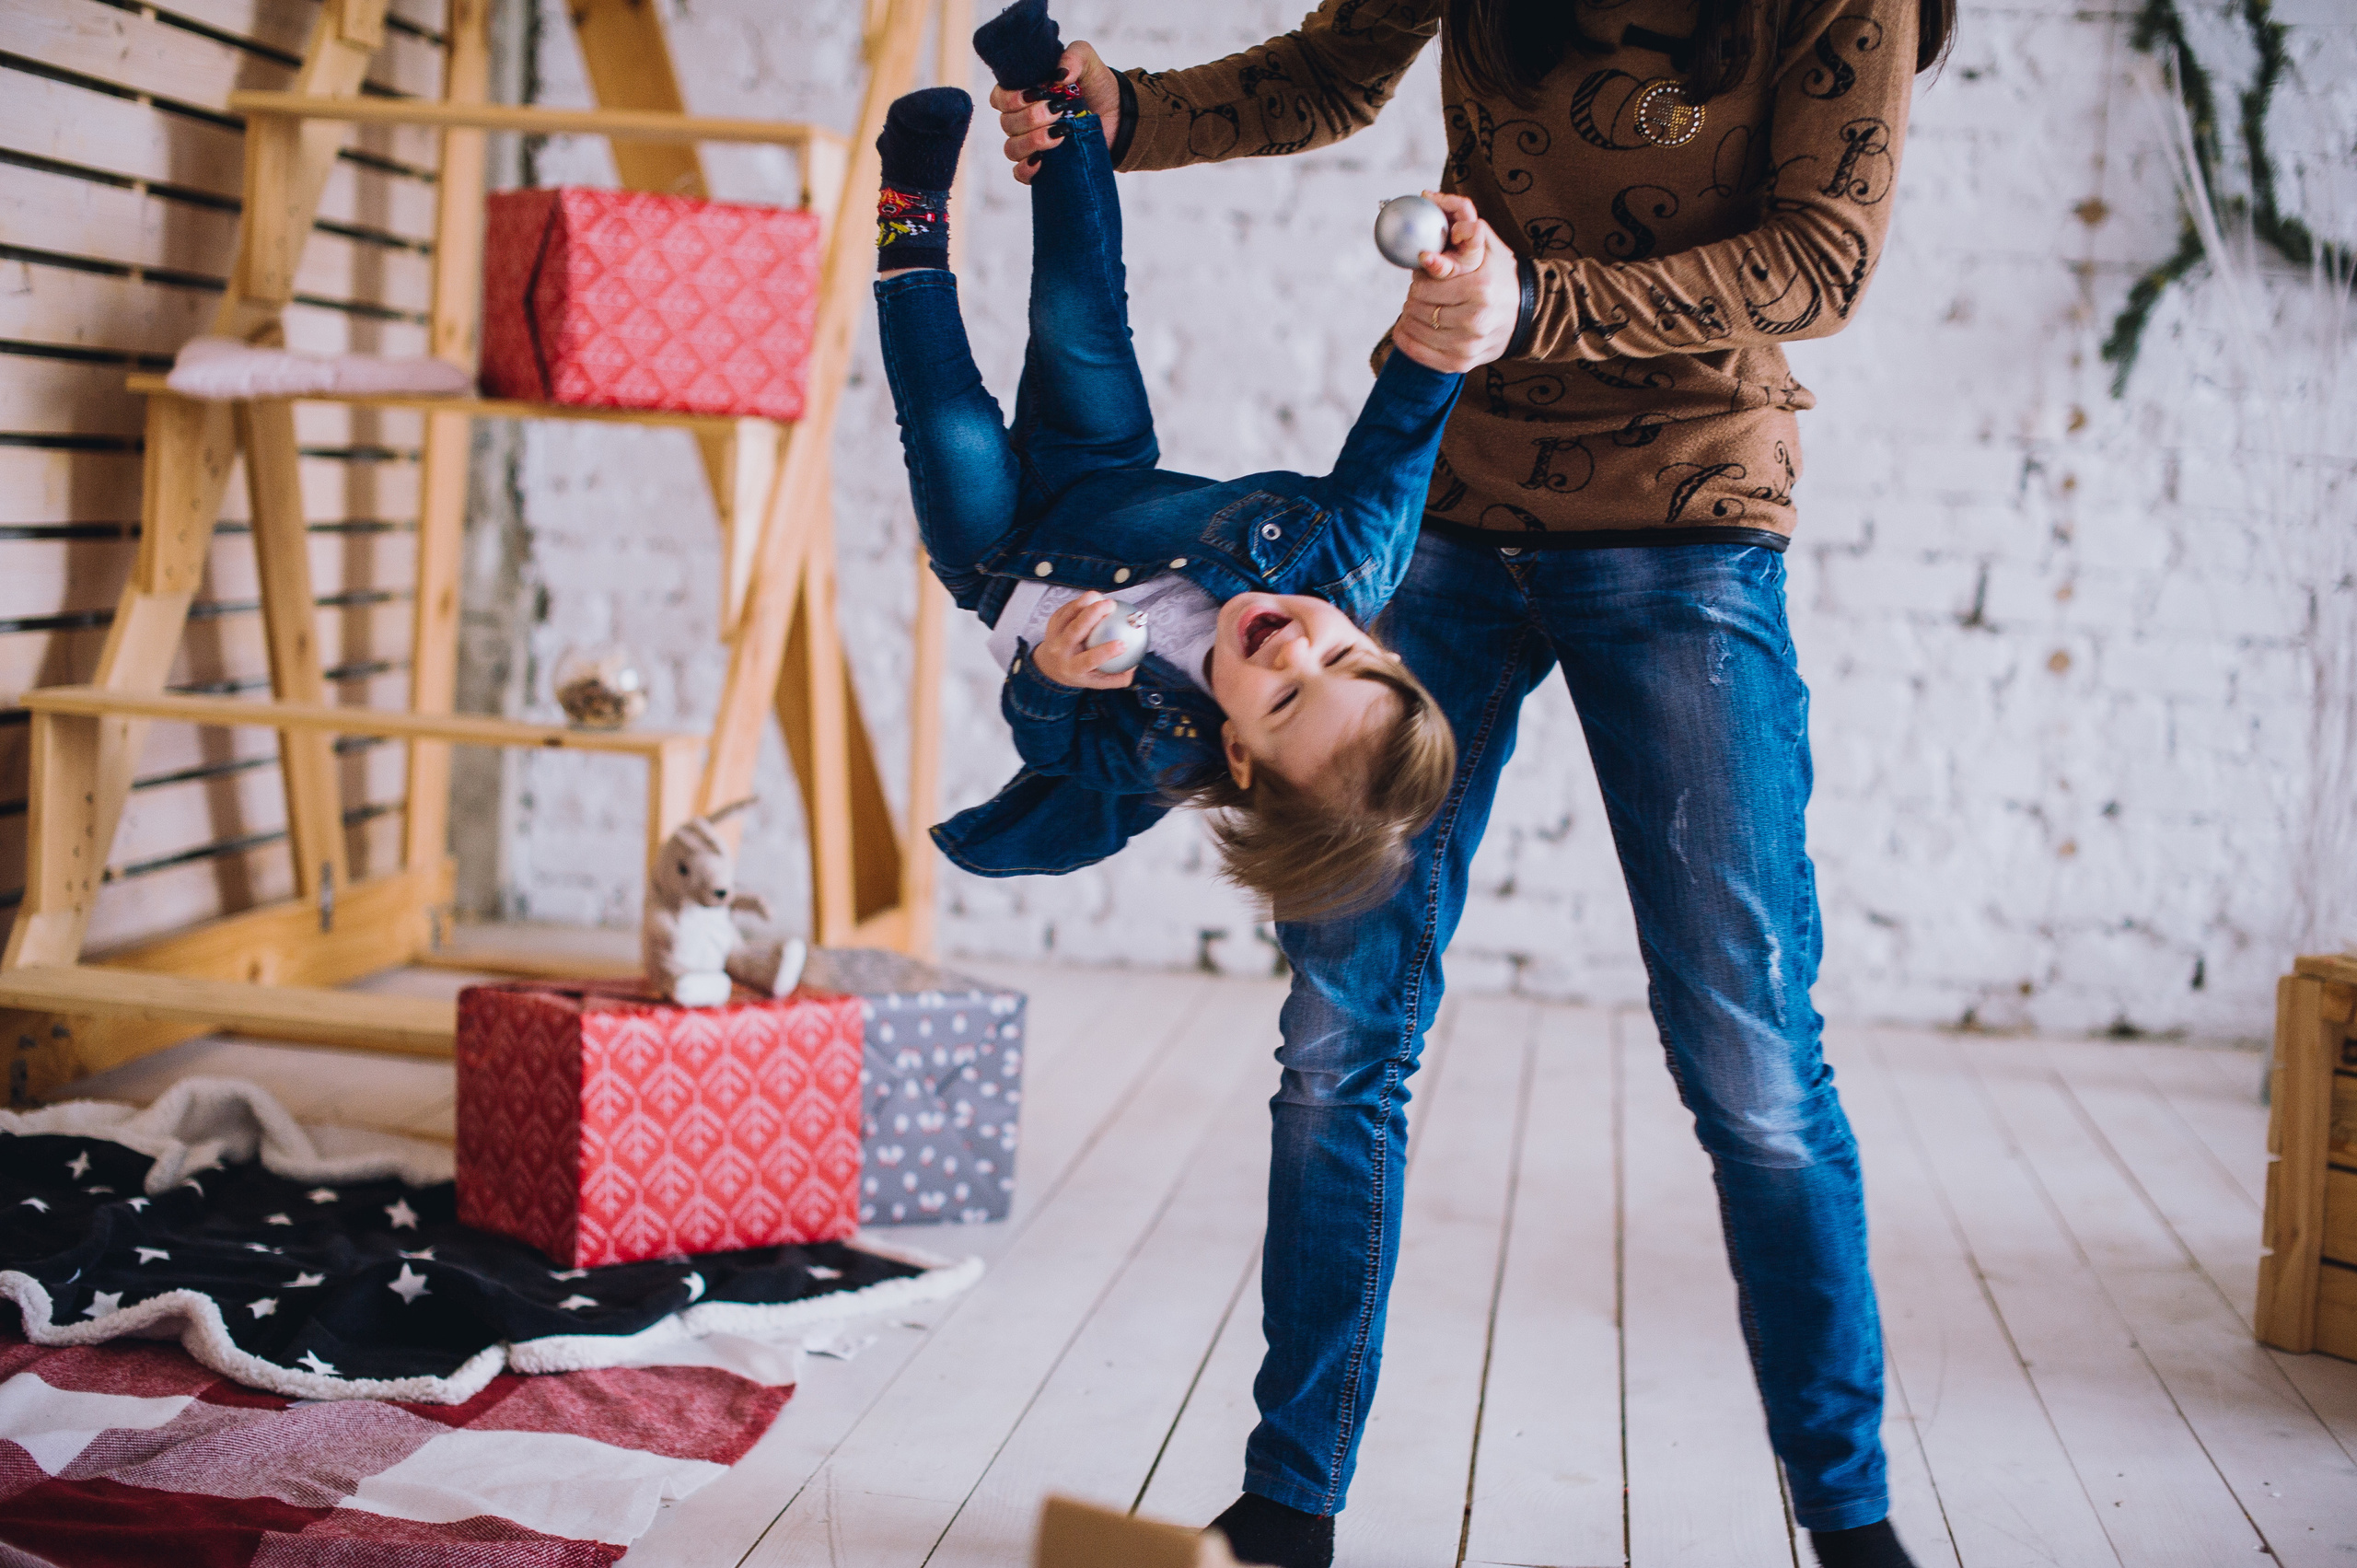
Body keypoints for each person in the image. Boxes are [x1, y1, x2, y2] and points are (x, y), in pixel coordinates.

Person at [985, 1, 1956, 1565]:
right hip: (1439, 509)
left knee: (1753, 1064)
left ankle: (1852, 1533)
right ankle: (1287, 1509)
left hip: (1688, 510)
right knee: (1340, 1034)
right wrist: (1125, 113)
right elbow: (1327, 71)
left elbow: (1818, 261)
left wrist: (1532, 297)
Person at [877, 12, 1473, 923]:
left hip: (995, 555)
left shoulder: (1162, 752)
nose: (1296, 649)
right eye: (1343, 656)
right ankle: (1052, 95)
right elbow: (1400, 437)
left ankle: (909, 212)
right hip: (1103, 467)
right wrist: (1442, 324)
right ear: (1376, 646)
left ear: (1238, 754)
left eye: (1282, 701)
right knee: (1082, 315)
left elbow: (1052, 750)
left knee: (947, 420)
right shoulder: (1349, 556)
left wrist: (1055, 679)